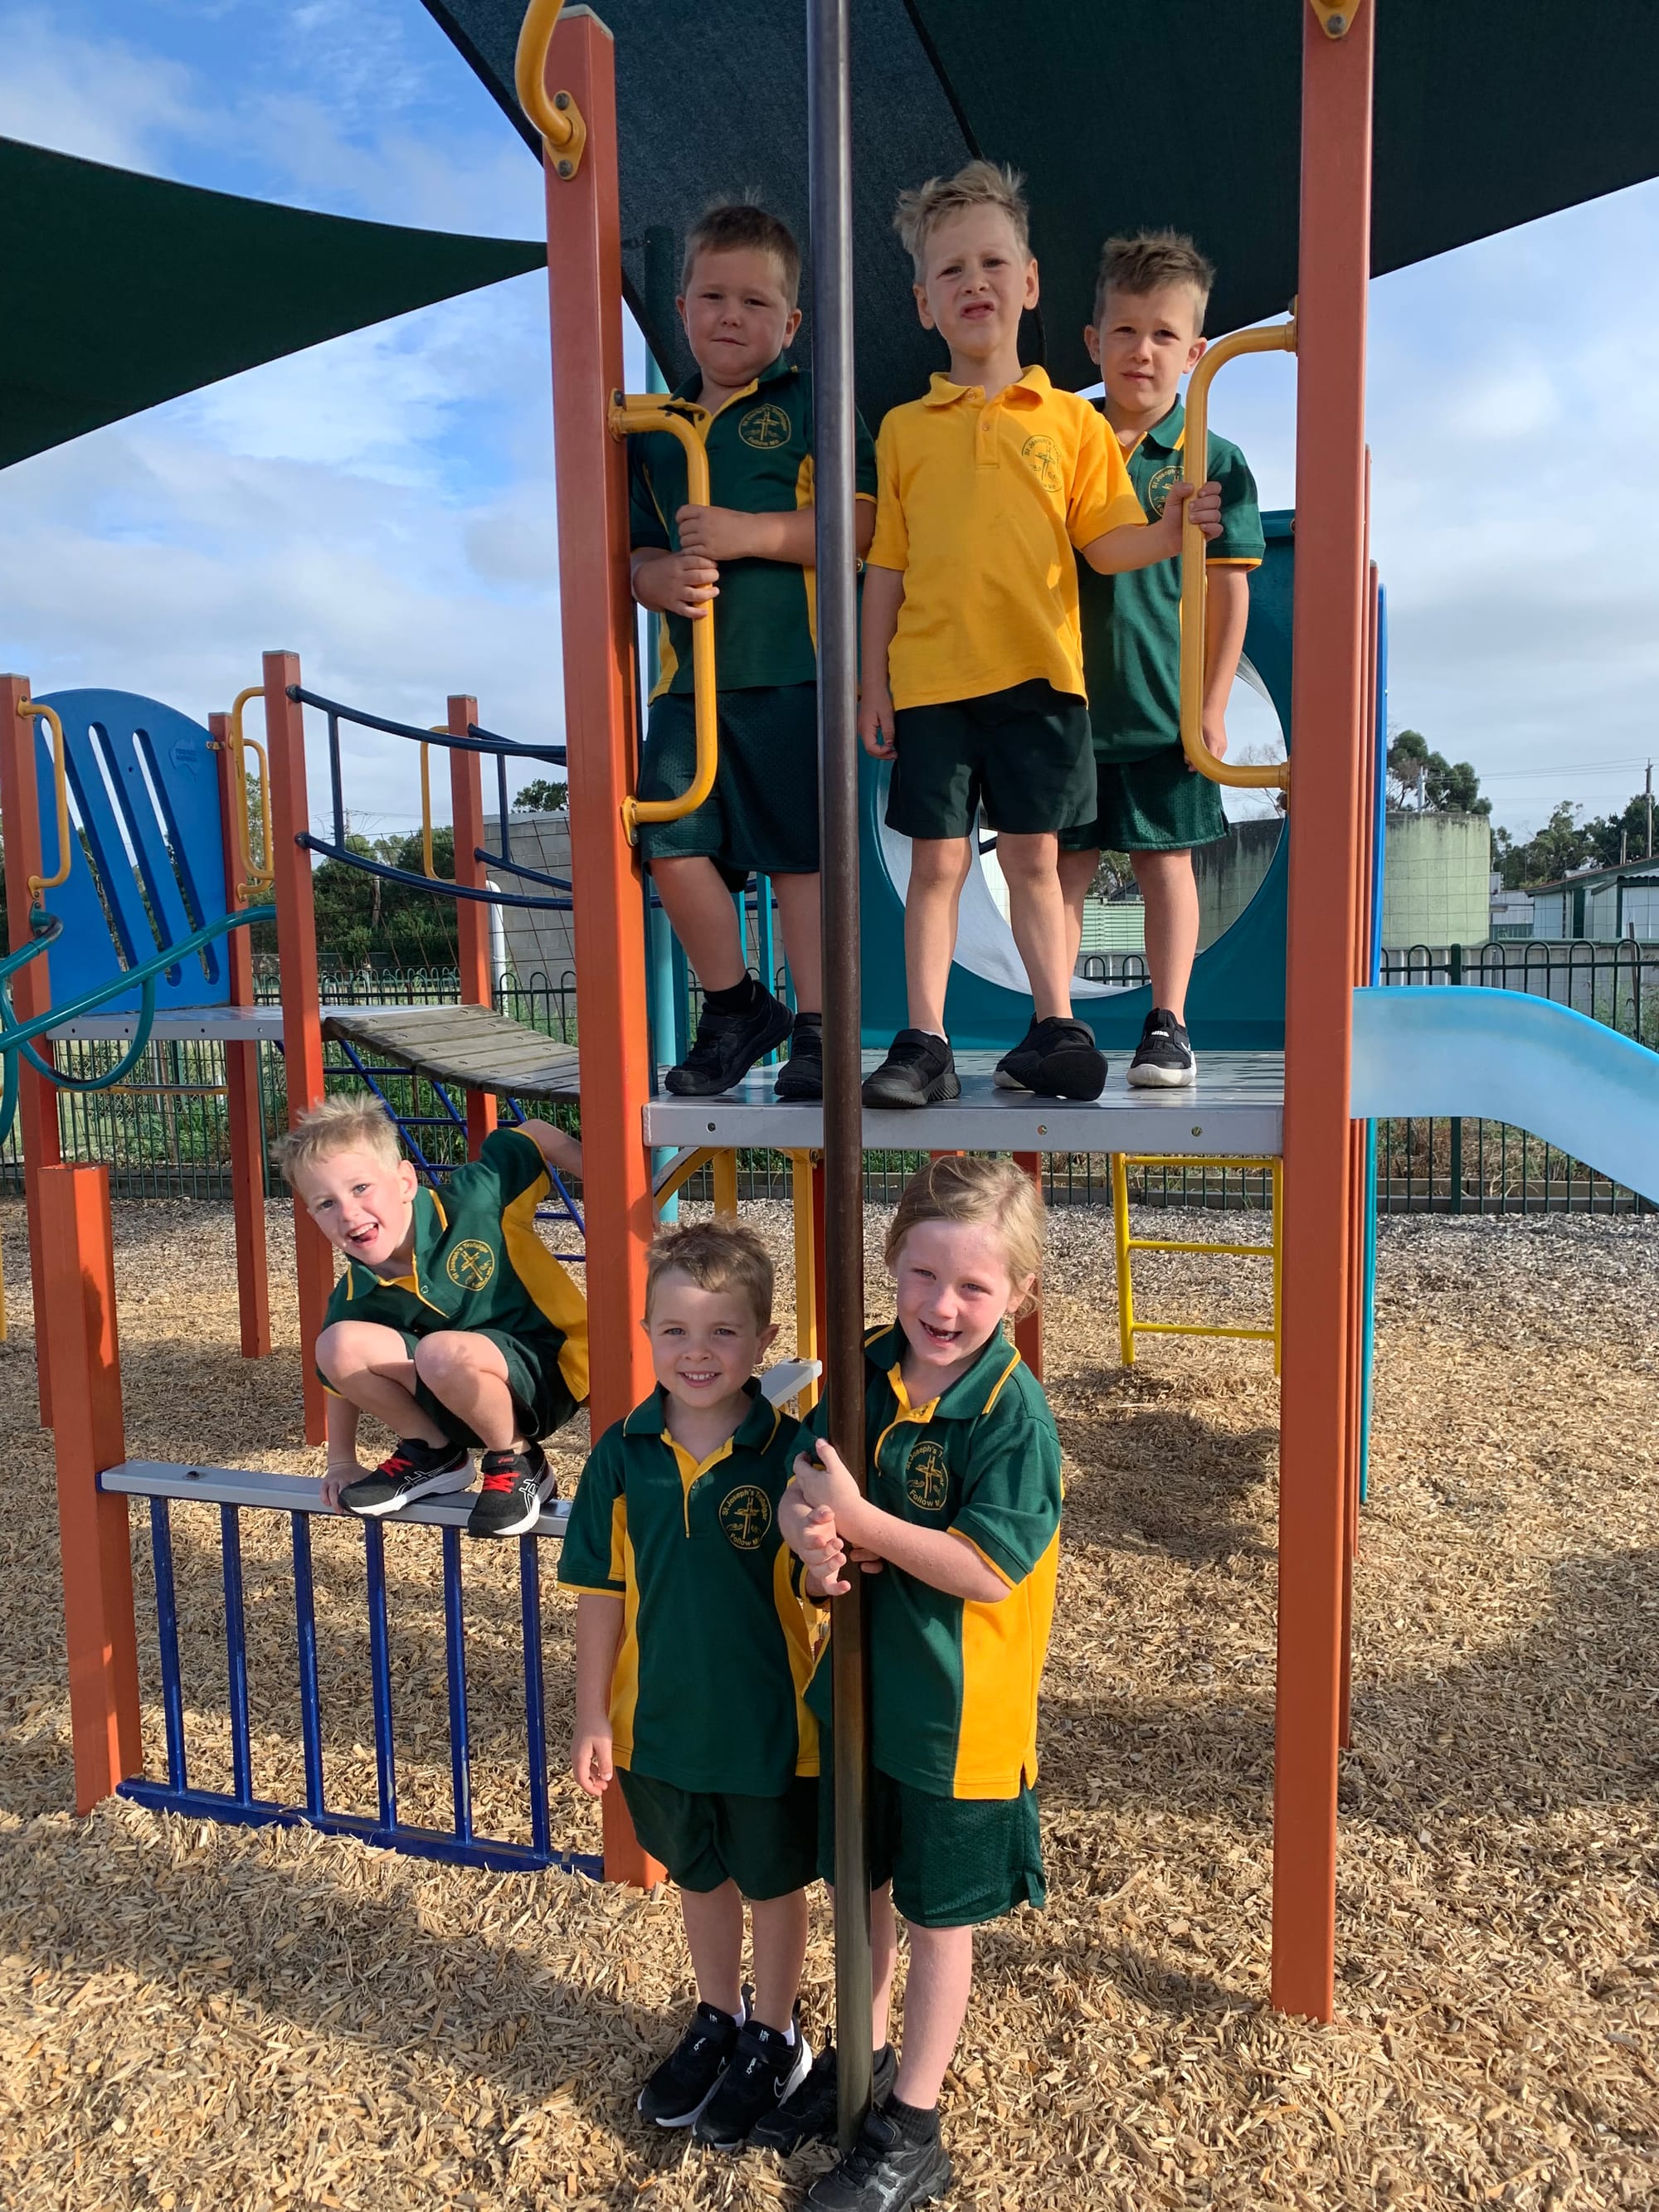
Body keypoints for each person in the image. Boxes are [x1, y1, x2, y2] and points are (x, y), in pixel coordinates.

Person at [857, 163, 1222, 1110]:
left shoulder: (1068, 420)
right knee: (937, 862)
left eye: (991, 262)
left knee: (1031, 855)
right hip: (932, 681)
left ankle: (1054, 1024)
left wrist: (1173, 522)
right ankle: (924, 1039)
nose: (972, 281)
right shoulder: (903, 429)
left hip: (1040, 680)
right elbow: (885, 569)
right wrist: (871, 684)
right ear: (924, 304)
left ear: (1028, 284)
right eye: (949, 271)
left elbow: (1104, 546)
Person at [767, 1156, 1062, 2211]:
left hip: (959, 1716)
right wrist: (816, 1534)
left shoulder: (1010, 1419)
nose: (942, 1305)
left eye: (974, 1287)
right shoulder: (866, 1367)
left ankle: (916, 2127)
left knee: (941, 1916)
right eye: (922, 1275)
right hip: (862, 1691)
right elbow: (811, 1487)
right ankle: (868, 2062)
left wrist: (864, 1522)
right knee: (863, 1884)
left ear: (1017, 1297)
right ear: (890, 1266)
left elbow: (986, 1569)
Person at [559, 1220, 821, 2147]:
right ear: (644, 1332)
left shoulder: (792, 1454)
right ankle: (717, 2016)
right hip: (657, 1724)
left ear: (761, 1342)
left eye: (721, 1331)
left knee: (773, 1878)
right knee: (700, 1875)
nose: (697, 1352)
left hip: (767, 1728)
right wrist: (593, 1712)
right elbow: (598, 1592)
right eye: (674, 1330)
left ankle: (776, 2033)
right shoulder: (621, 1457)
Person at [630, 202, 878, 1102]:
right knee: (669, 842)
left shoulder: (814, 400)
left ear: (791, 323)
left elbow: (861, 522)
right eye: (711, 295)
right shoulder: (648, 427)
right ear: (683, 308)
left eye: (754, 302)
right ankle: (735, 1006)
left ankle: (816, 1025)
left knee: (798, 856)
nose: (731, 316)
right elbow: (631, 545)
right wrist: (648, 578)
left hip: (792, 674)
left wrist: (751, 532)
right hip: (687, 685)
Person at [1053, 231, 1265, 1089]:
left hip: (1159, 703)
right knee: (1056, 865)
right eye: (1125, 330)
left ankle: (1166, 1023)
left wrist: (1209, 704)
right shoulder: (1062, 438)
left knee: (1162, 861)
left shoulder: (1209, 456)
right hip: (1064, 701)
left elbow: (1229, 589)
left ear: (1196, 351)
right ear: (1091, 341)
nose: (1142, 351)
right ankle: (1054, 1022)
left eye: (1163, 334)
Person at [273, 1096, 587, 1539]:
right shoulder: (358, 1290)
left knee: (441, 1352)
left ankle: (518, 1458)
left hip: (552, 1368)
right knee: (336, 1344)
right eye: (326, 1204)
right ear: (313, 1217)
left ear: (404, 1181)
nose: (348, 1212)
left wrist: (616, 1184)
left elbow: (535, 1132)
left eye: (361, 1188)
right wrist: (341, 1460)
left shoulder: (475, 1202)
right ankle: (435, 1452)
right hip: (461, 1392)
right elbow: (336, 1379)